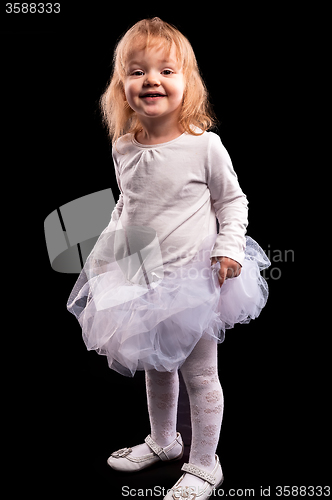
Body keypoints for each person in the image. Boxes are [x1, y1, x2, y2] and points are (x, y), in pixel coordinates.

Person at [67, 17, 270, 500]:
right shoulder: (124, 145)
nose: (151, 80)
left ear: (188, 83)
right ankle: (163, 441)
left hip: (194, 278)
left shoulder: (204, 145)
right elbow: (130, 205)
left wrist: (227, 249)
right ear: (122, 87)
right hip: (144, 273)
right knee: (157, 365)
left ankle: (205, 463)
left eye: (165, 70)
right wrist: (109, 255)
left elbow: (233, 201)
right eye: (137, 71)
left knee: (200, 374)